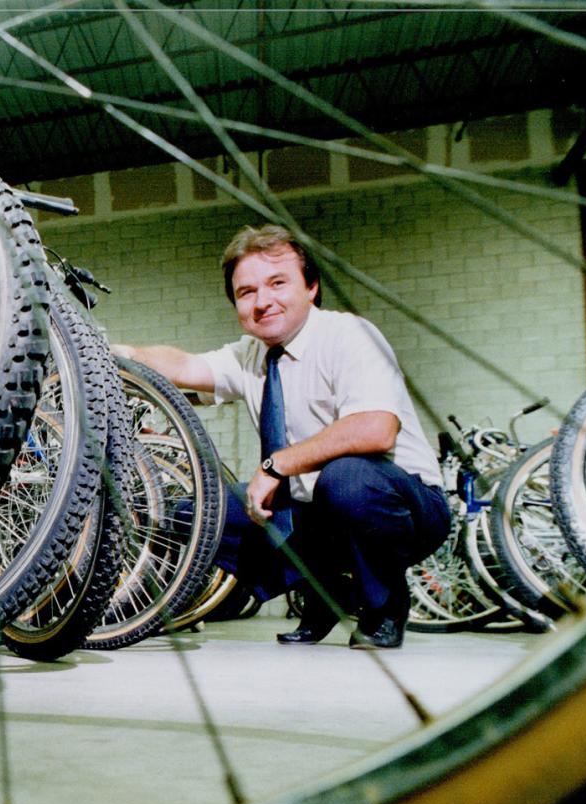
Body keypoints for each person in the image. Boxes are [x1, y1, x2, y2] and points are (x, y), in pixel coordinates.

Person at [113, 224, 450, 649]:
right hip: (317, 512)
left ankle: (384, 606)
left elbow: (376, 429)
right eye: (246, 291)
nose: (262, 301)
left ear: (311, 287)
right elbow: (183, 365)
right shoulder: (250, 356)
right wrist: (117, 354)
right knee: (194, 514)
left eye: (277, 283)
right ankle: (326, 591)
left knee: (345, 479)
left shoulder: (349, 335)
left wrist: (277, 465)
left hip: (407, 507)